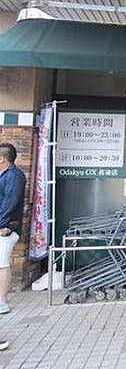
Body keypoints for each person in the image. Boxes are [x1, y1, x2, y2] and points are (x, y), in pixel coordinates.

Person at [0, 142, 26, 350]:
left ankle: (2, 300)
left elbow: (10, 202)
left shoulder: (14, 176)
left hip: (7, 228)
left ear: (2, 158)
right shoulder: (6, 176)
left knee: (2, 263)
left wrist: (3, 224)